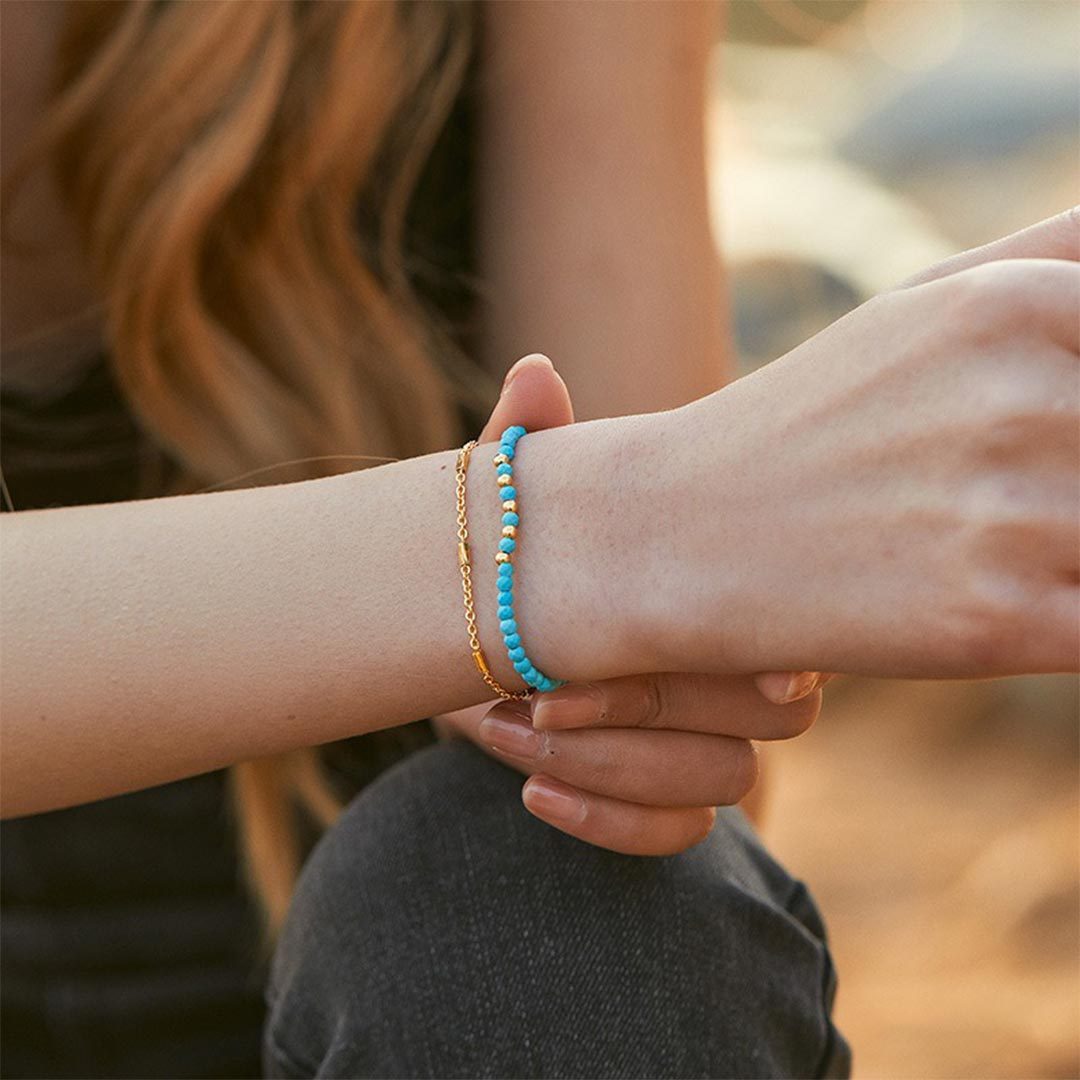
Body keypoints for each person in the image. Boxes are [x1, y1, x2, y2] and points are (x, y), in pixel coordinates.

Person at [2, 0, 1076, 1076]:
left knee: (554, 899)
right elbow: (644, 541)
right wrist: (585, 537)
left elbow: (669, 749)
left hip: (401, 991)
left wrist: (694, 599)